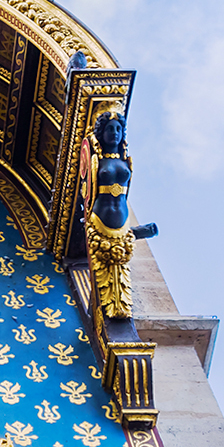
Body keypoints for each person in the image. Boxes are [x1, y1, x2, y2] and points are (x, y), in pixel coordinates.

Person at [81, 103, 134, 318]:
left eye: (118, 130)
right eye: (110, 129)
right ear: (100, 134)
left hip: (122, 225)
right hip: (100, 220)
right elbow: (89, 190)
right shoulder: (95, 159)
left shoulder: (126, 160)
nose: (114, 134)